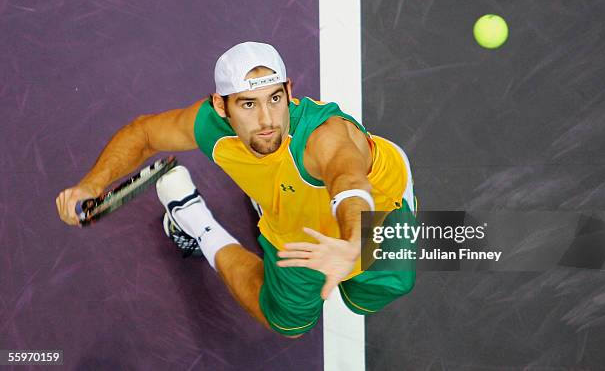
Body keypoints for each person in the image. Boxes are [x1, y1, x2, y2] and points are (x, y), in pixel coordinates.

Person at [56, 41, 417, 337]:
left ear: (289, 91)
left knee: (375, 295)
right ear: (220, 105)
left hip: (376, 214)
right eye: (248, 104)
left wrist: (353, 241)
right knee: (287, 323)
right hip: (296, 228)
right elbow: (144, 133)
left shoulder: (323, 137)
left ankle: (288, 197)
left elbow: (350, 182)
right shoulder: (213, 126)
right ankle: (194, 218)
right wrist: (92, 184)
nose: (266, 121)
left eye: (275, 99)